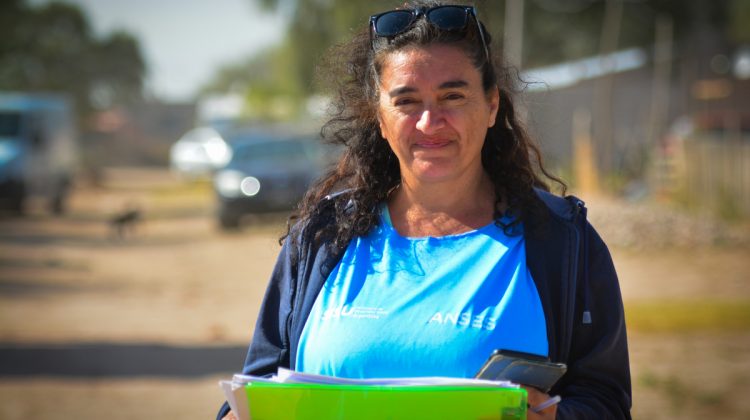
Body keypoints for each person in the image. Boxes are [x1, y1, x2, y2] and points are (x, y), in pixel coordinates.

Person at [218, 1, 631, 419]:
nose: (430, 122)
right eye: (407, 101)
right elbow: (253, 392)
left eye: (453, 96)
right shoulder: (323, 236)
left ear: (491, 106)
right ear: (379, 117)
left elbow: (607, 402)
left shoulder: (560, 240)